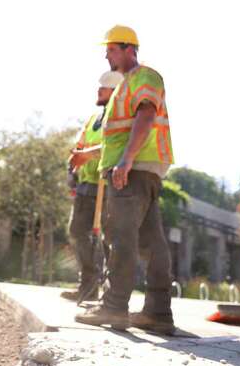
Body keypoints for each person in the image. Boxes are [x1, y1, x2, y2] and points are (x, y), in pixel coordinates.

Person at [72, 25, 176, 335]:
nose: (106, 54)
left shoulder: (144, 77)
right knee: (150, 241)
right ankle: (158, 313)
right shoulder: (125, 84)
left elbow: (145, 117)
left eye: (112, 49)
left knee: (121, 238)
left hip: (133, 169)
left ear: (130, 49)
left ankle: (115, 307)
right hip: (140, 169)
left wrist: (126, 160)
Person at [61, 70, 123, 302]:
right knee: (77, 231)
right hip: (86, 184)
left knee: (108, 239)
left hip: (105, 185)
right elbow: (80, 145)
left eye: (104, 87)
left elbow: (113, 147)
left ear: (115, 91)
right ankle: (87, 284)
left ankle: (108, 292)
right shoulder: (93, 119)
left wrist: (86, 156)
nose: (99, 90)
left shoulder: (117, 116)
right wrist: (72, 170)